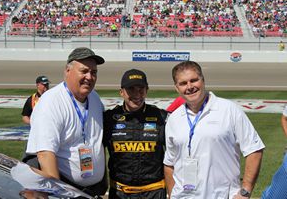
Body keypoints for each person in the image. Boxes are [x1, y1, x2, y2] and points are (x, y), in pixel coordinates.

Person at [163, 61, 265, 199]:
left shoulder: (228, 109)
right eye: (183, 83)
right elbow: (169, 163)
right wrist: (171, 194)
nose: (190, 86)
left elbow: (254, 149)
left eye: (194, 80)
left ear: (203, 80)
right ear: (177, 88)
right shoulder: (174, 118)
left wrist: (245, 192)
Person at [24, 47, 107, 198]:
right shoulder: (51, 102)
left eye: (94, 72)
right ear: (67, 71)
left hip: (93, 190)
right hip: (68, 189)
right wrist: (59, 194)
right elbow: (44, 154)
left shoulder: (94, 98)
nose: (89, 77)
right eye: (84, 71)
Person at [103, 69, 168, 199]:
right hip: (120, 193)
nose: (137, 94)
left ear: (147, 90)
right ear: (121, 92)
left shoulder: (161, 117)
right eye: (131, 89)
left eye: (141, 89)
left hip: (154, 193)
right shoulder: (109, 119)